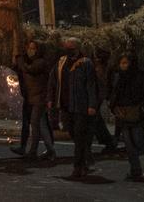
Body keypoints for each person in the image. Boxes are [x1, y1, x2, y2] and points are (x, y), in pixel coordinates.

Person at [48, 38, 99, 180]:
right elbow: (53, 81)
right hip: (65, 105)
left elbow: (90, 85)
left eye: (71, 47)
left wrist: (92, 105)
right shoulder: (61, 62)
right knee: (73, 134)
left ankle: (78, 167)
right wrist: (51, 99)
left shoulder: (85, 63)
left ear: (77, 48)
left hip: (80, 106)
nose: (68, 49)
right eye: (66, 47)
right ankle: (85, 156)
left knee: (79, 135)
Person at [109, 52, 144, 180]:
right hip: (124, 114)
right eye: (121, 63)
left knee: (139, 139)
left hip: (138, 114)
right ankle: (135, 169)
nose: (123, 66)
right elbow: (115, 94)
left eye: (125, 63)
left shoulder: (143, 76)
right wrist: (114, 107)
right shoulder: (119, 78)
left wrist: (143, 108)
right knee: (129, 145)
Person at [12, 40, 55, 160]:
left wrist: (20, 59)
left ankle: (33, 151)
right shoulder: (32, 61)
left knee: (35, 124)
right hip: (34, 97)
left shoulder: (40, 62)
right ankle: (50, 150)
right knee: (41, 125)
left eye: (33, 48)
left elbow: (29, 69)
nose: (30, 51)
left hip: (39, 98)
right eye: (29, 48)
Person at [92, 48, 118, 153]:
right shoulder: (98, 66)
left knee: (95, 119)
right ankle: (108, 141)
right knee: (95, 119)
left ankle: (109, 141)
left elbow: (108, 83)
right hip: (98, 94)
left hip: (99, 94)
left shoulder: (106, 67)